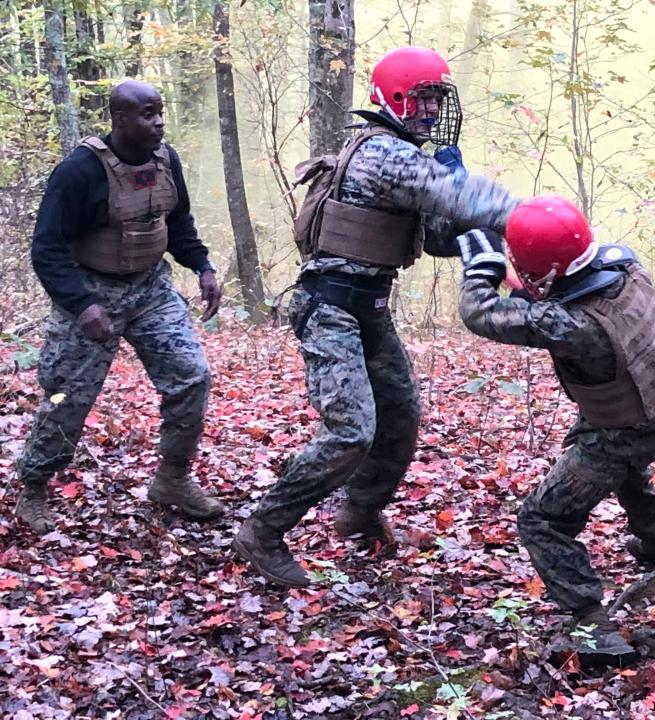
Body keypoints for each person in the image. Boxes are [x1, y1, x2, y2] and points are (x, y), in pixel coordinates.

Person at [232, 46, 519, 588]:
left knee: (400, 416)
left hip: (368, 305)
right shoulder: (384, 154)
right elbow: (466, 198)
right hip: (330, 306)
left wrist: (467, 227)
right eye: (422, 100)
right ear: (394, 99)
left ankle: (359, 514)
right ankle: (263, 531)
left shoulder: (408, 157)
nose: (431, 112)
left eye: (437, 99)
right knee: (350, 432)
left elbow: (435, 238)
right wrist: (530, 215)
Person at [456, 196, 655, 663]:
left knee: (542, 520)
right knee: (629, 473)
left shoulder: (573, 326)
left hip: (617, 428)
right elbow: (555, 290)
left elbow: (481, 314)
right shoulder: (625, 266)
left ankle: (592, 624)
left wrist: (482, 266)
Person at [14, 80, 224, 533]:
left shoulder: (167, 161)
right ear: (120, 119)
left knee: (191, 376)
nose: (159, 122)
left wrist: (202, 266)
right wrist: (82, 305)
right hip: (91, 292)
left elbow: (178, 221)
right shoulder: (78, 172)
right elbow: (46, 249)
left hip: (150, 289)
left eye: (160, 111)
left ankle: (172, 478)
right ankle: (33, 487)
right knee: (67, 396)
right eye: (148, 114)